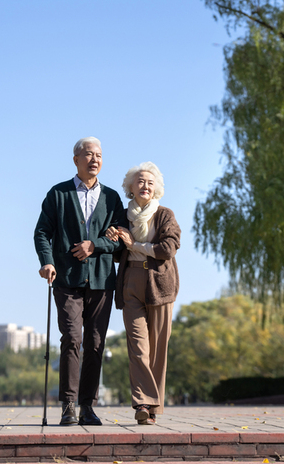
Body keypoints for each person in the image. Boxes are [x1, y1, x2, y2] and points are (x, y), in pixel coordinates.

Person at [34, 136, 125, 426]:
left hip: (101, 281)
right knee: (72, 339)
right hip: (66, 279)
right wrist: (47, 261)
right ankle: (68, 405)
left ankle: (88, 405)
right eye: (88, 154)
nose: (94, 159)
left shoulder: (112, 198)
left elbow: (120, 240)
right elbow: (42, 232)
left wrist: (94, 245)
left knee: (96, 343)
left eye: (98, 155)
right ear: (76, 160)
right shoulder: (58, 194)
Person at [106, 161, 180, 425]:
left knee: (158, 349)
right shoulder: (122, 217)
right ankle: (142, 403)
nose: (145, 186)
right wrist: (113, 239)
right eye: (140, 181)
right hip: (130, 283)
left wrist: (135, 244)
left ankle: (153, 407)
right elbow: (116, 254)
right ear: (130, 187)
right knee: (138, 347)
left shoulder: (165, 215)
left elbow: (169, 248)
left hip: (160, 284)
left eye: (150, 182)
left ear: (156, 187)